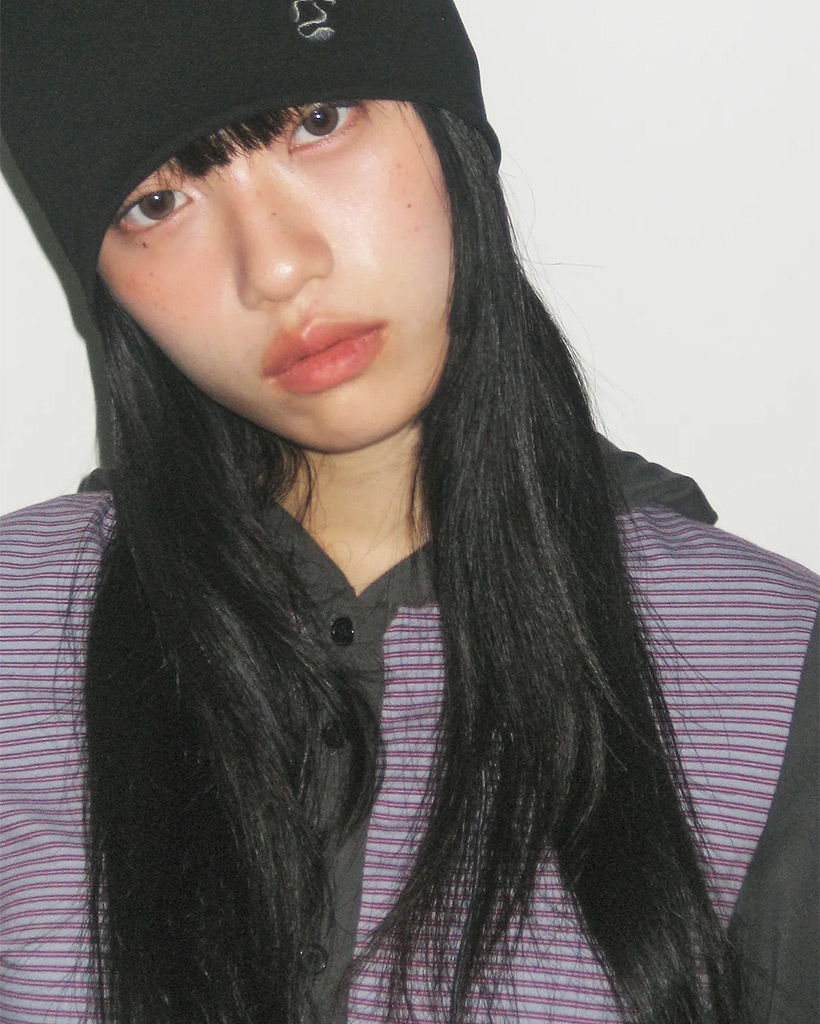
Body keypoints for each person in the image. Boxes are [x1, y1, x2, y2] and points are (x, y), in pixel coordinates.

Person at [1, 2, 816, 1023]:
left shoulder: (768, 666)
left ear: (447, 129)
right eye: (156, 203)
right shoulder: (18, 631)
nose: (277, 267)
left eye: (319, 120)